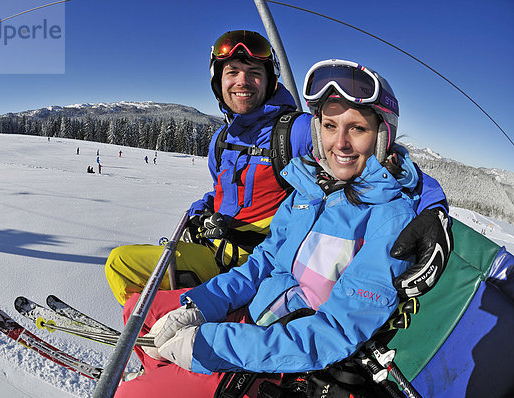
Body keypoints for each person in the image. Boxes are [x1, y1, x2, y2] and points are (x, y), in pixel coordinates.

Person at [116, 59, 423, 397]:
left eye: (358, 129)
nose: (341, 143)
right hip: (253, 319)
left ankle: (163, 380)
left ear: (382, 137)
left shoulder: (390, 221)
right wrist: (202, 305)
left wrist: (213, 343)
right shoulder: (309, 191)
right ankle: (163, 371)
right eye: (330, 126)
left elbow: (332, 335)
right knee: (139, 312)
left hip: (285, 362)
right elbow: (263, 264)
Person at [105, 30, 451, 306]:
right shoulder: (221, 140)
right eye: (232, 73)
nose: (242, 81)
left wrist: (432, 209)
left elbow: (375, 158)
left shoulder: (295, 130)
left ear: (270, 81)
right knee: (133, 274)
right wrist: (207, 206)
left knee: (132, 275)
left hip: (257, 263)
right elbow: (227, 191)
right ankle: (153, 341)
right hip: (213, 248)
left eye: (254, 73)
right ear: (218, 82)